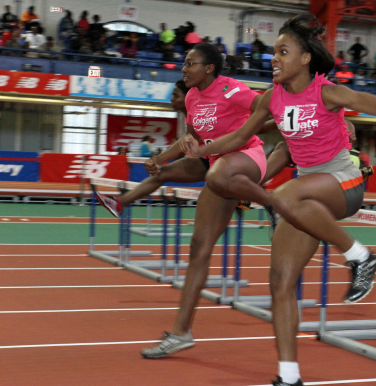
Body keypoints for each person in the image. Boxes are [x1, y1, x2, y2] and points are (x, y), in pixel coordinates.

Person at [181, 13, 376, 385]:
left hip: (343, 182)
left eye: (283, 51)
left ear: (304, 59)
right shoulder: (271, 98)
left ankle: (360, 256)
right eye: (274, 52)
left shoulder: (327, 92)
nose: (275, 58)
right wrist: (201, 150)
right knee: (280, 281)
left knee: (282, 197)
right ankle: (289, 375)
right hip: (307, 195)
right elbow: (238, 139)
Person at [91, 45, 294, 361]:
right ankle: (181, 332)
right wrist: (161, 158)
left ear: (210, 67)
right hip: (218, 170)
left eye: (189, 63)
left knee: (217, 172)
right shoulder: (191, 98)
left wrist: (299, 130)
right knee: (198, 250)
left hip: (247, 158)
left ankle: (274, 205)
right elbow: (191, 140)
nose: (183, 69)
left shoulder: (231, 89)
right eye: (183, 64)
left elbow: (268, 108)